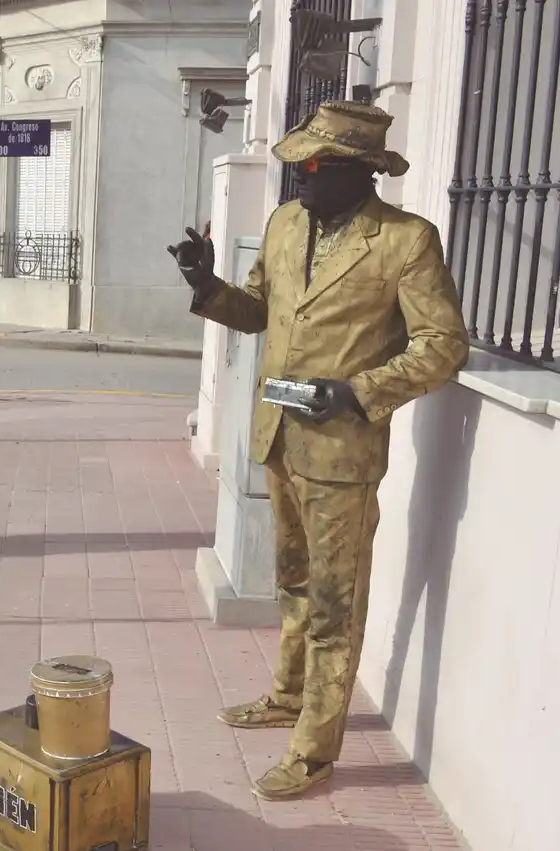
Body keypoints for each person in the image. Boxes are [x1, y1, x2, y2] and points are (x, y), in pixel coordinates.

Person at [167, 100, 469, 800]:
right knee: (294, 581)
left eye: (312, 166)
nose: (298, 178)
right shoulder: (285, 224)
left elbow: (442, 345)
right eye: (297, 165)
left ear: (360, 172)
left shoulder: (406, 240)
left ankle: (314, 750)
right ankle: (287, 695)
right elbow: (260, 312)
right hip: (279, 437)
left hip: (342, 453)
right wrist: (206, 286)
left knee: (336, 601)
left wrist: (359, 392)